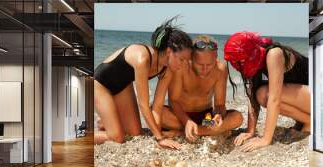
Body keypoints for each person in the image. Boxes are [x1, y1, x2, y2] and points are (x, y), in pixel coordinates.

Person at [94, 16, 192, 149]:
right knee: (117, 137)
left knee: (135, 133)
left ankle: (106, 122)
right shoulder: (142, 59)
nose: (184, 64)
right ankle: (84, 134)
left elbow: (157, 106)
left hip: (122, 86)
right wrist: (160, 138)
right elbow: (144, 105)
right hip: (101, 84)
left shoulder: (167, 69)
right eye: (182, 59)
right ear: (169, 52)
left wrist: (156, 134)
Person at [224, 31, 310, 152]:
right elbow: (252, 96)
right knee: (260, 94)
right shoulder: (255, 57)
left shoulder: (274, 54)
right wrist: (250, 131)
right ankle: (306, 120)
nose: (237, 65)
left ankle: (309, 121)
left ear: (251, 53)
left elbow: (275, 99)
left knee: (266, 94)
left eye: (241, 61)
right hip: (305, 96)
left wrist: (266, 139)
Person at [159, 35, 243, 141]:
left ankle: (186, 131)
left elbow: (220, 105)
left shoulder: (220, 69)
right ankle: (202, 131)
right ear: (191, 58)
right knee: (157, 112)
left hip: (205, 120)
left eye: (209, 64)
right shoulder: (180, 67)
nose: (205, 69)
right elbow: (174, 101)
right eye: (200, 64)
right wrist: (187, 122)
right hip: (180, 118)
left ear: (216, 57)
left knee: (237, 118)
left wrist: (218, 116)